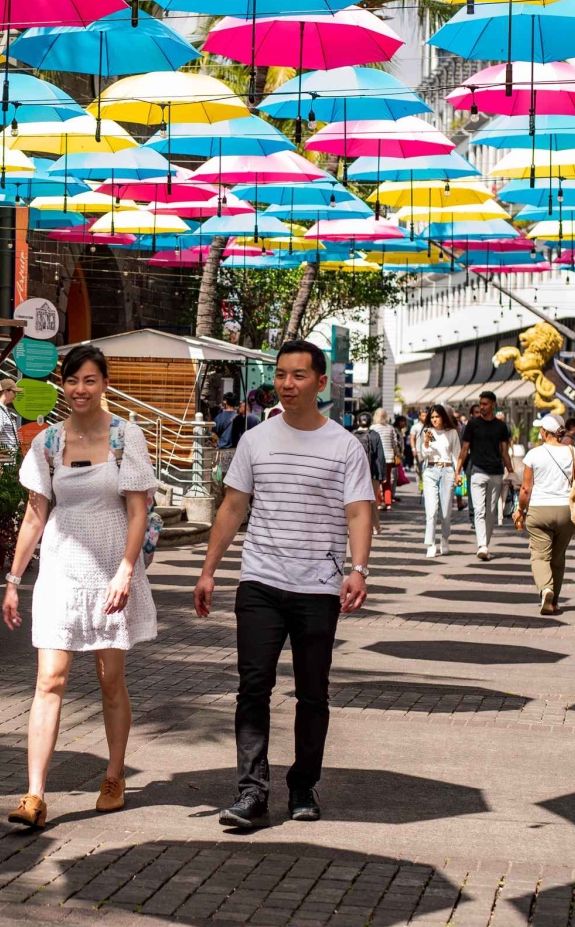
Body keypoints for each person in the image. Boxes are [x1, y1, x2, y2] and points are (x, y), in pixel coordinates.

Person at [193, 340, 374, 828]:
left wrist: (358, 570)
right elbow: (233, 506)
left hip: (318, 587)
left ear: (320, 382)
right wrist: (209, 568)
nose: (286, 384)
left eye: (297, 375)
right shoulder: (256, 439)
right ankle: (251, 792)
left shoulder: (344, 446)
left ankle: (303, 786)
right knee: (253, 687)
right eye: (280, 375)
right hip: (261, 582)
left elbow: (359, 511)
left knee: (313, 691)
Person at [3, 344, 158, 827]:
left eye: (90, 380)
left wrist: (127, 570)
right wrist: (12, 580)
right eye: (72, 381)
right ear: (62, 386)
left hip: (111, 571)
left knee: (111, 680)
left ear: (104, 384)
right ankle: (34, 795)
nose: (80, 389)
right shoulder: (46, 442)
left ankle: (113, 775)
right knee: (49, 680)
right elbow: (34, 515)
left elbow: (138, 510)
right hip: (60, 573)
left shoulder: (125, 437)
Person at [512, 412, 575, 615]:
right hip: (565, 512)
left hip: (539, 510)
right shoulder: (572, 452)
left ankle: (546, 589)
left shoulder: (533, 454)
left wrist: (520, 510)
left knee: (540, 556)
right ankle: (555, 601)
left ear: (544, 432)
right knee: (558, 558)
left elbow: (526, 489)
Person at [456, 391, 514, 561]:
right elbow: (465, 449)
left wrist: (510, 470)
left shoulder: (501, 426)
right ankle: (482, 545)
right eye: (480, 403)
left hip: (496, 472)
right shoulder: (472, 425)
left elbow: (504, 451)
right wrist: (458, 470)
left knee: (491, 511)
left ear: (493, 404)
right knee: (479, 510)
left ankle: (485, 544)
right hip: (477, 472)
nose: (482, 407)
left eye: (485, 404)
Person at [420, 404, 460, 557]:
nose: (435, 420)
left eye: (437, 416)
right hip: (430, 470)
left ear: (443, 417)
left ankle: (445, 539)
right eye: (432, 417)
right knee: (431, 510)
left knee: (446, 510)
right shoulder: (427, 432)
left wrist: (458, 474)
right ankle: (430, 543)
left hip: (448, 470)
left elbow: (456, 454)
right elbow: (424, 454)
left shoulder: (452, 433)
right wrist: (426, 442)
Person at [212, 392, 258, 485]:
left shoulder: (219, 418)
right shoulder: (240, 418)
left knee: (218, 481)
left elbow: (214, 435)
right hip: (236, 453)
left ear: (225, 401)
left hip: (221, 453)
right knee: (233, 483)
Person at [370, 409, 398, 510]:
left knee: (376, 480)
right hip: (389, 458)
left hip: (377, 458)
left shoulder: (373, 428)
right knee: (387, 481)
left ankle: (378, 502)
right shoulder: (390, 428)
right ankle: (388, 502)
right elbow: (395, 443)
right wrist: (396, 454)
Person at [0, 378, 23, 451]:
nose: (15, 395)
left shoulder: (3, 409)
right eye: (14, 392)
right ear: (6, 391)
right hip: (2, 460)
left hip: (7, 459)